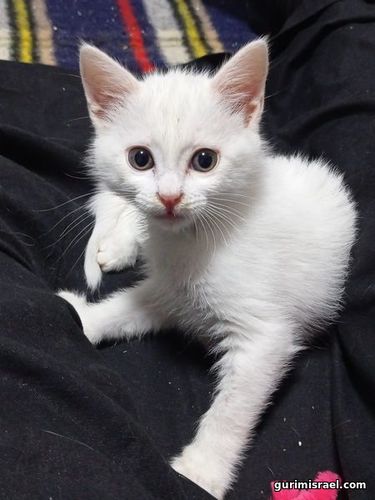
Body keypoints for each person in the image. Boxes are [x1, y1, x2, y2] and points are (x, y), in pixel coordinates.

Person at [0, 1, 373, 498]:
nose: (169, 191)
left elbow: (263, 342)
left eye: (202, 159)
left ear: (247, 110)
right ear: (101, 112)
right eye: (141, 159)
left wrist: (212, 455)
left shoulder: (251, 236)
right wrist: (96, 320)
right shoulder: (176, 218)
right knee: (173, 284)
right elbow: (170, 296)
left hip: (312, 214)